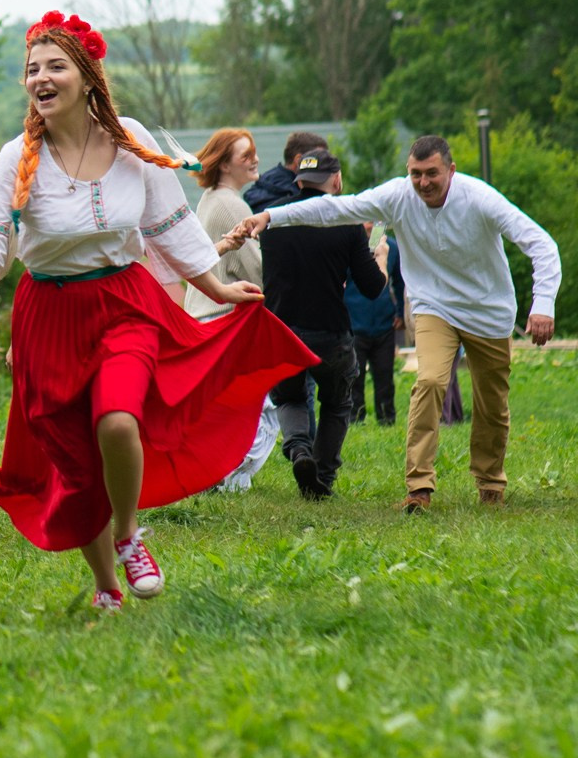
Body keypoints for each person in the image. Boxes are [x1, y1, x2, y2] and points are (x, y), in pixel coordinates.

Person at [0, 12, 314, 613]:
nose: (40, 78)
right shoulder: (17, 157)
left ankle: (128, 535)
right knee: (77, 471)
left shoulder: (129, 141)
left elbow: (169, 224)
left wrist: (215, 286)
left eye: (55, 66)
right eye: (32, 69)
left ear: (86, 76)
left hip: (124, 303)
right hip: (48, 317)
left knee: (118, 420)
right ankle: (106, 586)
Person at [236, 134, 560, 511]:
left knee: (492, 402)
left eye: (432, 173)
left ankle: (490, 483)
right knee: (429, 381)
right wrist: (271, 217)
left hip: (488, 310)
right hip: (434, 307)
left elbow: (541, 244)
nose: (423, 182)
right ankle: (418, 487)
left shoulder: (480, 198)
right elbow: (335, 209)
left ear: (451, 170)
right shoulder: (398, 195)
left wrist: (543, 305)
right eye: (415, 173)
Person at [257, 153, 388, 499]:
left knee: (289, 397)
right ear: (336, 180)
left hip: (282, 330)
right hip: (330, 333)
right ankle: (323, 475)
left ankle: (299, 449)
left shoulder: (272, 218)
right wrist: (381, 258)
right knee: (337, 401)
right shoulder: (346, 222)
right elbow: (372, 287)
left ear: (298, 181)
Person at [182, 127, 278, 494]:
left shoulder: (209, 199)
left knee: (223, 408)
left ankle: (216, 477)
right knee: (259, 408)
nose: (255, 160)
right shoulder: (231, 205)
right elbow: (256, 270)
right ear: (224, 164)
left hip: (204, 315)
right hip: (225, 316)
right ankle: (227, 479)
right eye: (245, 155)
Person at [347, 228, 401, 425]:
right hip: (354, 321)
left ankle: (387, 418)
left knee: (385, 375)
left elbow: (400, 281)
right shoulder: (349, 245)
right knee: (354, 375)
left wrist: (401, 312)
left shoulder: (391, 247)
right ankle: (355, 418)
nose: (369, 224)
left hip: (384, 322)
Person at [244, 130, 327, 211]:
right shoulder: (293, 198)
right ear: (299, 160)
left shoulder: (265, 184)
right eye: (319, 160)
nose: (325, 166)